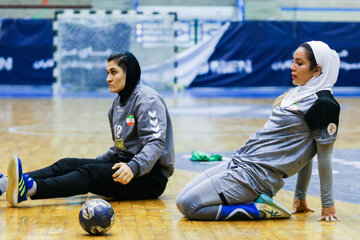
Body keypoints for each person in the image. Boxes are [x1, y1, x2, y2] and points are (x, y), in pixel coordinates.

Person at [176, 41, 341, 222]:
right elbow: (305, 152)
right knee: (180, 199)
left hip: (255, 177)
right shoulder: (298, 93)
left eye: (299, 63)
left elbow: (321, 156)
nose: (292, 67)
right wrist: (300, 198)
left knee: (189, 205)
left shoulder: (324, 104)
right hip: (239, 162)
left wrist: (328, 205)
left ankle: (260, 210)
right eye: (293, 61)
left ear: (317, 70)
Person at [1, 51, 175, 207]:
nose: (108, 78)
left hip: (149, 177)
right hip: (125, 166)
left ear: (128, 73)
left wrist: (133, 167)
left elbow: (155, 142)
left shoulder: (147, 100)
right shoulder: (117, 103)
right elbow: (119, 147)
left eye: (113, 72)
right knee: (67, 163)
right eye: (108, 73)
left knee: (89, 173)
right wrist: (95, 161)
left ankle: (30, 190)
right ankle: (8, 184)